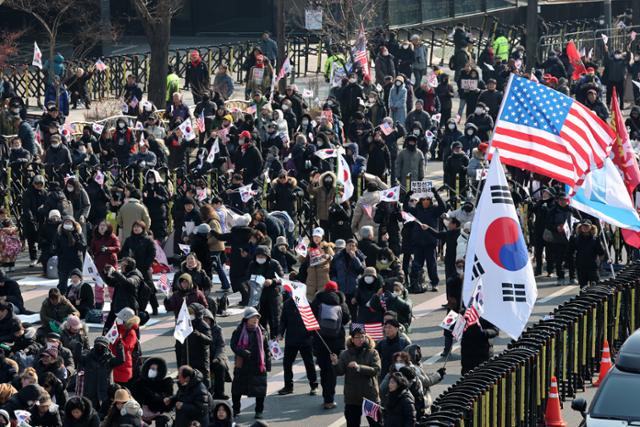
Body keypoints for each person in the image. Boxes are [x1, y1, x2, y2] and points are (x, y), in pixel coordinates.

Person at [331, 327, 381, 427]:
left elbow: (376, 370)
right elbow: (340, 372)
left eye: (362, 337)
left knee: (376, 424)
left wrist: (359, 367)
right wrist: (335, 363)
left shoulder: (372, 353)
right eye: (357, 337)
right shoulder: (345, 354)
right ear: (352, 339)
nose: (360, 339)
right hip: (352, 398)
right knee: (352, 424)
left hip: (369, 396)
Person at [277, 286, 318, 396]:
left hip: (306, 339)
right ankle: (288, 386)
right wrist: (280, 333)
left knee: (309, 363)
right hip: (291, 339)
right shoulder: (287, 304)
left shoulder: (307, 304)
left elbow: (314, 321)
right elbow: (283, 321)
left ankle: (314, 385)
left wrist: (313, 337)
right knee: (287, 364)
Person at [230, 308, 271, 419]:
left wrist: (268, 363)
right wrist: (243, 352)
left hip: (258, 365)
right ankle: (236, 409)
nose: (255, 319)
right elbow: (233, 345)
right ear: (246, 319)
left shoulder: (262, 331)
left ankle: (259, 411)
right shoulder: (239, 331)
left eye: (257, 317)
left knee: (260, 390)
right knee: (237, 389)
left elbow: (266, 349)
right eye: (253, 317)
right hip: (242, 365)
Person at [120, 221, 158, 316]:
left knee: (149, 288)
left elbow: (152, 253)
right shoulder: (129, 239)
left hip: (144, 268)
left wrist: (147, 264)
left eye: (138, 227)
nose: (136, 229)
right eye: (135, 227)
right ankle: (137, 308)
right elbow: (124, 251)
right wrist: (127, 261)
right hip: (132, 268)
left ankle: (154, 307)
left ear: (143, 228)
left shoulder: (148, 240)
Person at [79, 336, 124, 413]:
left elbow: (120, 360)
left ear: (106, 347)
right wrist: (80, 344)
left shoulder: (109, 358)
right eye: (98, 345)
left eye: (102, 346)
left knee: (105, 413)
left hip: (105, 392)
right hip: (90, 391)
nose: (100, 348)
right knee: (89, 412)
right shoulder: (88, 357)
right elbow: (78, 358)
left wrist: (119, 348)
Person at [52, 216, 86, 293]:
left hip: (76, 261)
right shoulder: (59, 234)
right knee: (62, 284)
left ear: (73, 224)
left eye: (69, 222)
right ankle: (62, 299)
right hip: (63, 262)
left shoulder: (78, 233)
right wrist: (58, 251)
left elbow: (83, 246)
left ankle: (79, 298)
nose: (68, 224)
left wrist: (77, 239)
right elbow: (54, 248)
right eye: (66, 222)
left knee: (77, 283)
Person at [109, 307, 140, 386]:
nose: (117, 319)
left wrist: (118, 339)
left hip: (124, 364)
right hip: (114, 361)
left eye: (120, 317)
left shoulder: (131, 332)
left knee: (122, 388)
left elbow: (128, 347)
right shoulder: (117, 328)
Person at [570, 220, 605, 288]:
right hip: (581, 266)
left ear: (591, 227)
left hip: (593, 266)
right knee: (583, 287)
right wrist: (571, 262)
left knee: (595, 286)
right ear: (580, 227)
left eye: (587, 226)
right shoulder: (575, 239)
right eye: (583, 226)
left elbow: (601, 252)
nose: (585, 228)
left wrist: (600, 262)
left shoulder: (595, 239)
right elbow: (570, 251)